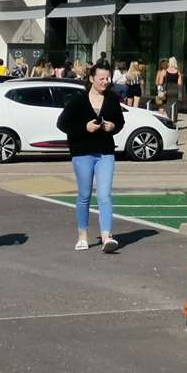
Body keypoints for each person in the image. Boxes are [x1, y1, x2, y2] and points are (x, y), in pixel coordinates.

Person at [57, 64, 125, 253]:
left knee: (104, 194)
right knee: (84, 195)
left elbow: (120, 121)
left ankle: (106, 236)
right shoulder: (78, 99)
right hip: (82, 152)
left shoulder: (111, 98)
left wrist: (113, 126)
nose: (105, 82)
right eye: (101, 78)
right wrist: (83, 128)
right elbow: (62, 124)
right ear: (92, 79)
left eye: (107, 78)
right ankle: (82, 236)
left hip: (105, 152)